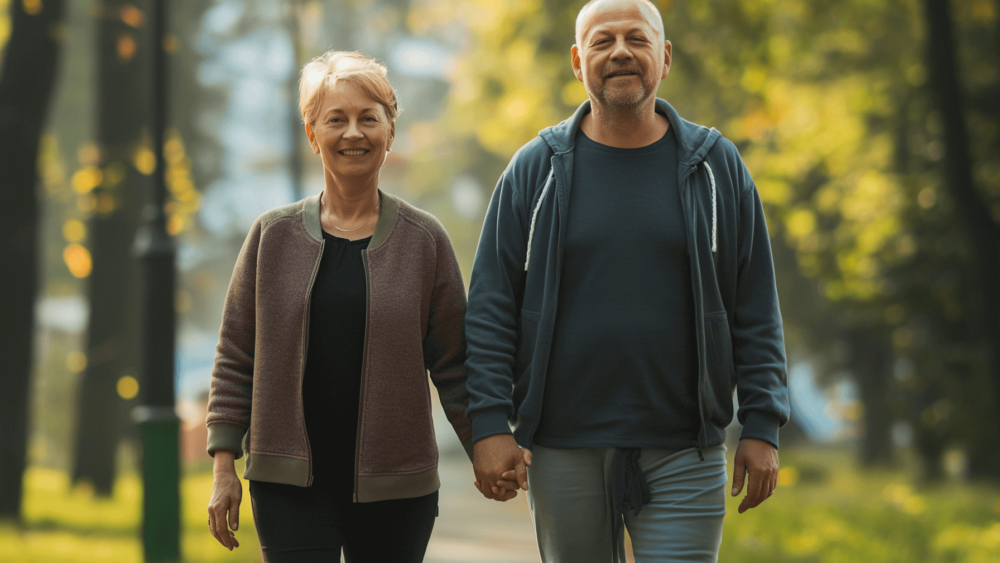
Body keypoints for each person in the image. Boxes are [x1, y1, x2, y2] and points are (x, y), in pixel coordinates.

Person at [465, 0, 790, 561]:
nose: (620, 52)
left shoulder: (717, 167)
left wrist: (762, 422)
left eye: (636, 39)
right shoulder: (534, 169)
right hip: (562, 446)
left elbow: (755, 304)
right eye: (602, 40)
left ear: (663, 58)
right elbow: (492, 305)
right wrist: (490, 424)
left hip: (686, 449)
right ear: (577, 60)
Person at [204, 51, 474, 563]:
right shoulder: (270, 237)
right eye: (336, 119)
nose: (354, 132)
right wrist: (223, 469)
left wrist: (487, 446)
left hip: (398, 487)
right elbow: (236, 358)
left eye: (369, 118)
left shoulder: (425, 240)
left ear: (390, 133)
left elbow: (455, 363)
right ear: (312, 134)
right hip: (287, 486)